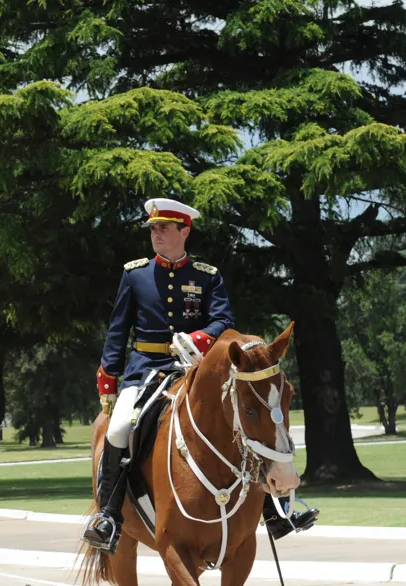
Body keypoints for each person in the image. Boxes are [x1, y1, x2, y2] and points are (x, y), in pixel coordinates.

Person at [84, 198, 317, 552]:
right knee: (117, 429)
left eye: (164, 228)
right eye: (153, 229)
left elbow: (224, 320)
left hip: (196, 367)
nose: (156, 234)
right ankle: (110, 516)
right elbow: (118, 330)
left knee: (239, 423)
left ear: (185, 231)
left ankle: (274, 510)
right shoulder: (135, 274)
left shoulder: (206, 276)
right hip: (146, 369)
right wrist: (109, 378)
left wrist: (197, 338)